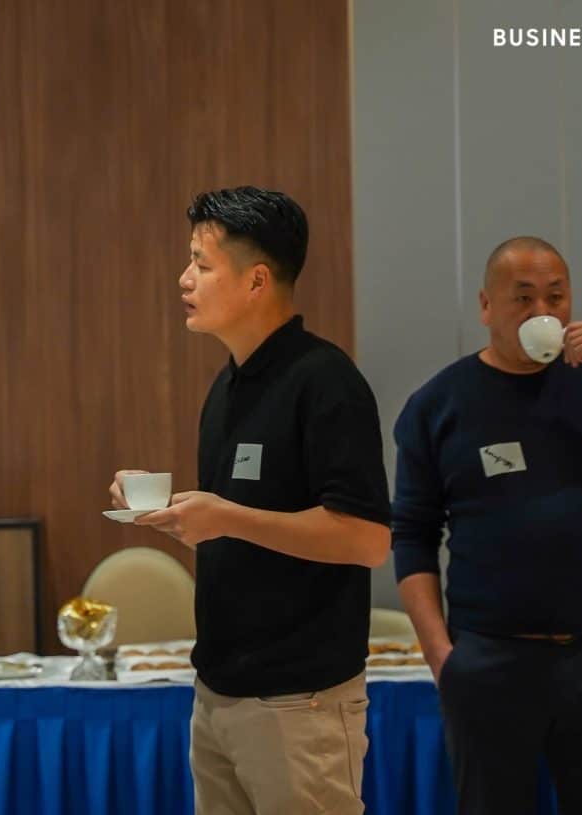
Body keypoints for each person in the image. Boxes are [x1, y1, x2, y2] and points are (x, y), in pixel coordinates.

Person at [111, 186, 391, 815]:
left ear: (257, 280)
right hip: (218, 693)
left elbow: (368, 538)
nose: (184, 279)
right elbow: (243, 522)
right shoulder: (228, 386)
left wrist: (226, 517)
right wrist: (175, 509)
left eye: (201, 264)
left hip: (300, 701)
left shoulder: (326, 381)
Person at [393, 236, 582, 815]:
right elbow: (412, 535)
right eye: (523, 298)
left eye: (556, 296)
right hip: (488, 660)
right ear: (486, 306)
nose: (542, 312)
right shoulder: (439, 404)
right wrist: (440, 654)